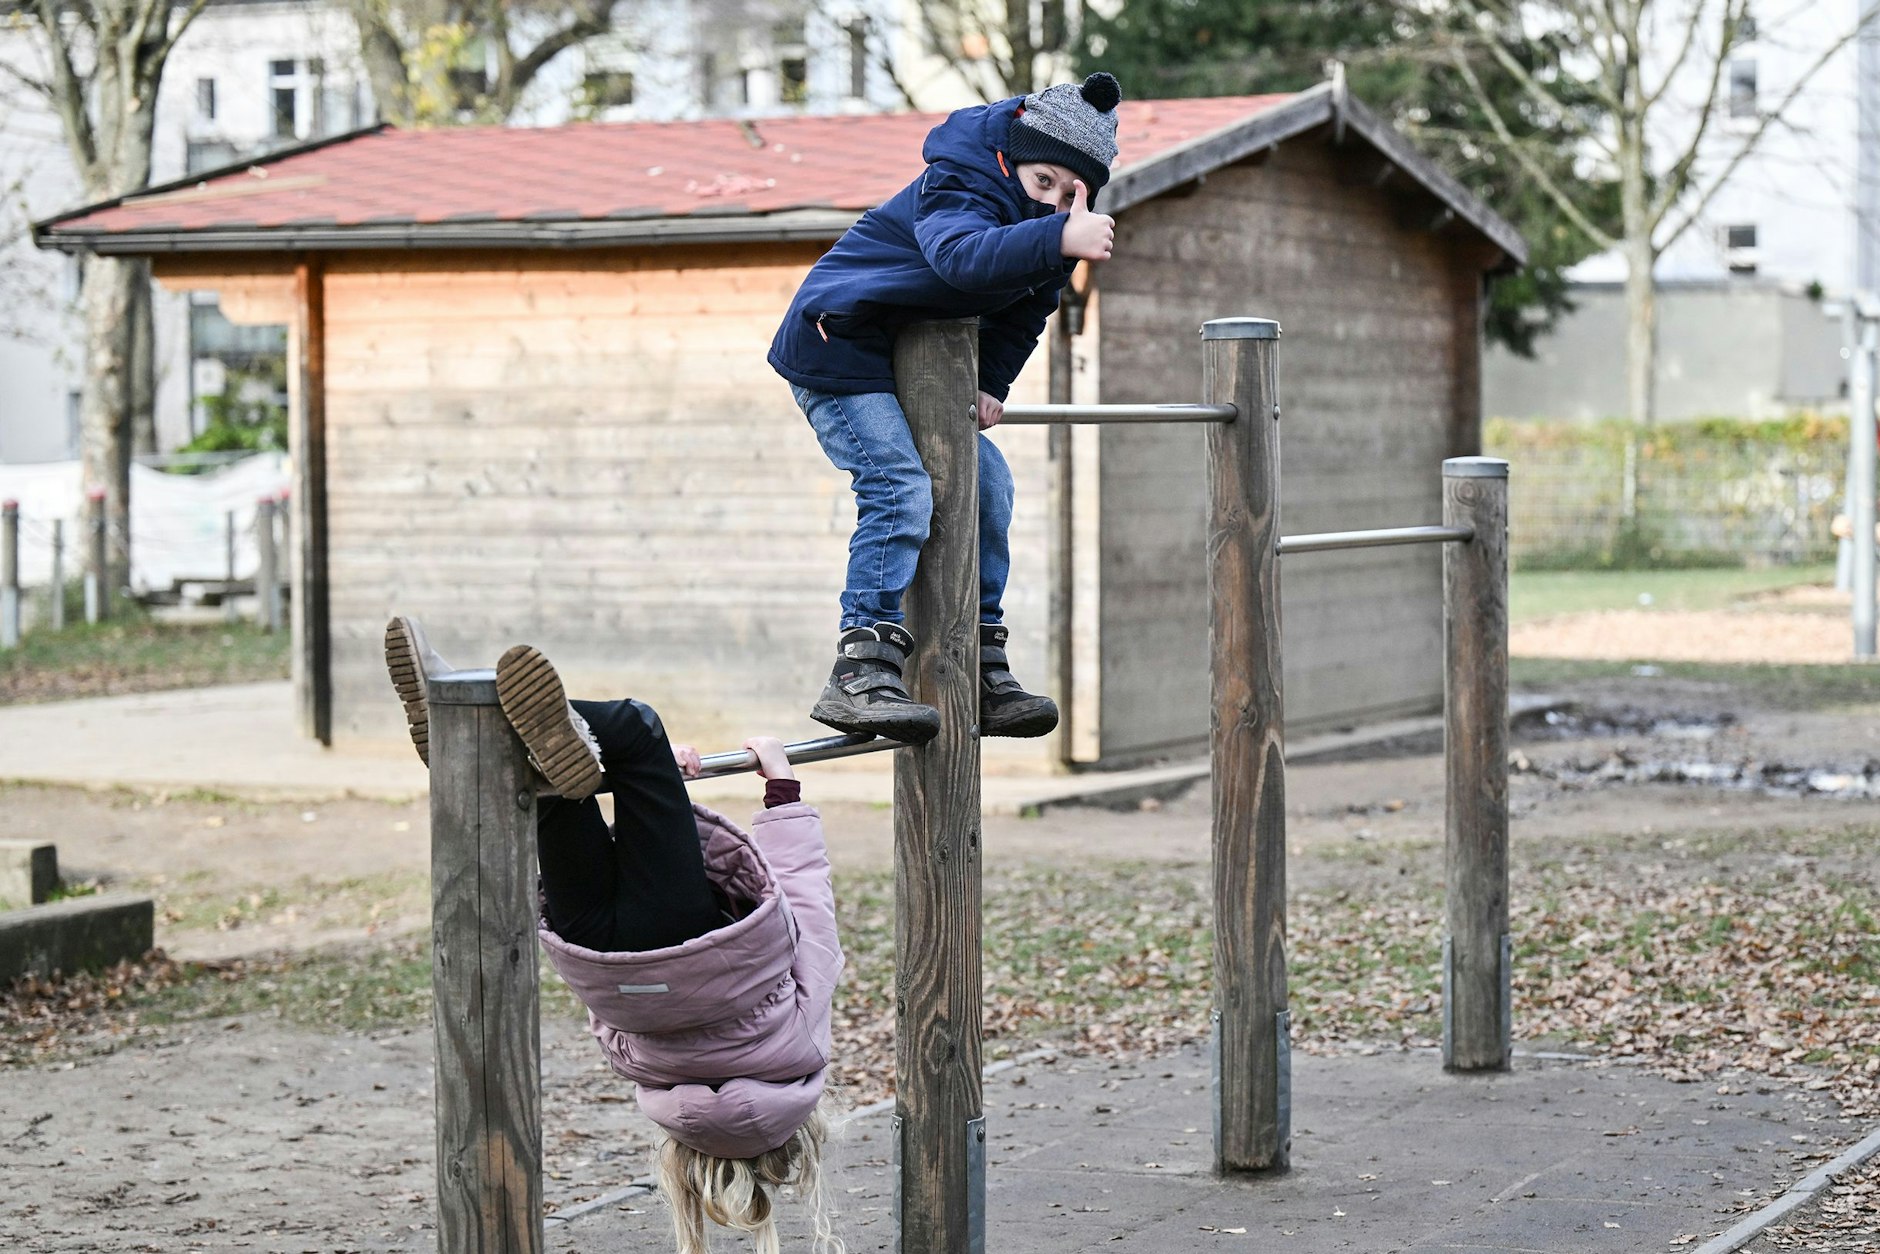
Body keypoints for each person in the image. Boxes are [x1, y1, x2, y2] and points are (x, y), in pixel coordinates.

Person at [384, 617, 843, 1254]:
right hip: (594, 949)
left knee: (637, 733)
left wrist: (782, 791)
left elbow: (811, 918)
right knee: (556, 786)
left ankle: (470, 725)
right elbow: (609, 1024)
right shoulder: (655, 1083)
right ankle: (457, 721)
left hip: (684, 928)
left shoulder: (801, 1051)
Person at [769, 72, 1124, 745]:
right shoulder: (959, 181)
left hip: (913, 362)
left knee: (991, 486)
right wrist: (1058, 237)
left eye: (1068, 193)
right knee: (898, 488)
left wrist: (992, 382)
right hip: (839, 344)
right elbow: (959, 258)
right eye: (1042, 181)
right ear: (1011, 159)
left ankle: (983, 664)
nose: (1050, 201)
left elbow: (1027, 314)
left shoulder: (1051, 228)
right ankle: (861, 668)